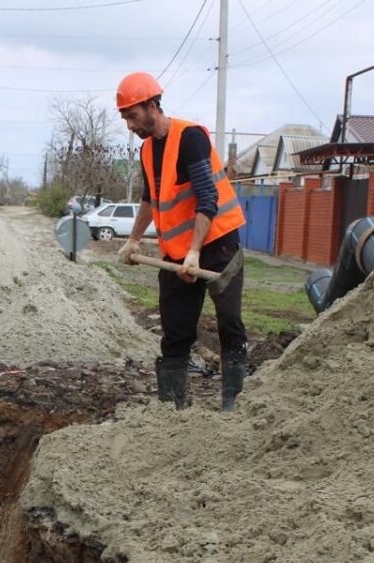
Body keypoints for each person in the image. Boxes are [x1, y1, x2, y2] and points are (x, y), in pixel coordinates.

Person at [114, 71, 249, 412]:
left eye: (132, 115)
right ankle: (173, 412)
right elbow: (150, 199)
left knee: (229, 324)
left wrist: (195, 252)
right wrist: (133, 239)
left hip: (218, 245)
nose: (129, 125)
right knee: (175, 333)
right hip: (177, 253)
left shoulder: (190, 138)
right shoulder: (147, 152)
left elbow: (208, 197)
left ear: (152, 106)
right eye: (125, 118)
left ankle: (235, 407)